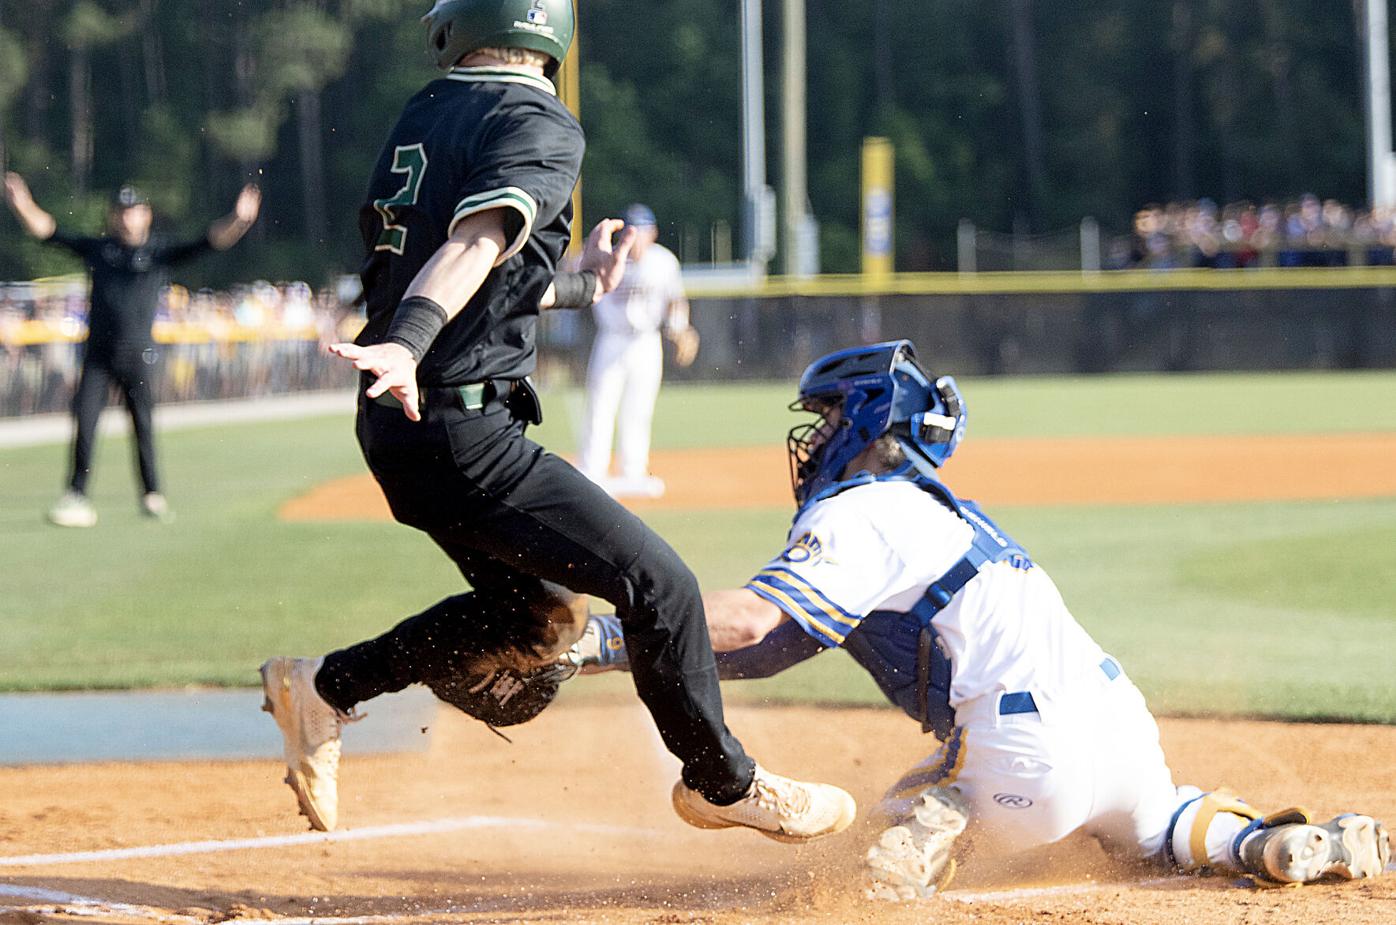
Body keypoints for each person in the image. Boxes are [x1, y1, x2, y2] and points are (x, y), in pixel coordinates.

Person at [258, 0, 855, 846]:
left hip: (408, 425)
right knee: (660, 584)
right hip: (457, 425)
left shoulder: (427, 113)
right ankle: (723, 781)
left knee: (536, 621)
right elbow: (473, 245)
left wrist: (583, 287)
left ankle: (322, 687)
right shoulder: (536, 116)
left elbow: (487, 276)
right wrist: (408, 342)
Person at [566, 340, 1391, 897]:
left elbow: (747, 624)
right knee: (1166, 824)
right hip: (1122, 731)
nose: (812, 441)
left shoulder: (861, 510)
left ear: (861, 422)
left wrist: (599, 635)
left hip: (1017, 754)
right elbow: (783, 645)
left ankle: (928, 824)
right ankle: (1262, 843)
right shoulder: (946, 516)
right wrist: (612, 652)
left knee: (864, 846)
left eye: (823, 420)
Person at [2, 173, 261, 526]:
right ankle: (76, 493)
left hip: (138, 354)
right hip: (99, 354)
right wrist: (23, 204)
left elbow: (210, 242)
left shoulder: (157, 252)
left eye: (134, 210)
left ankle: (151, 493)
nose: (127, 217)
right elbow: (49, 232)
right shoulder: (101, 250)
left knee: (142, 426)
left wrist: (240, 220)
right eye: (121, 211)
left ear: (146, 215)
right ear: (114, 216)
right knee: (86, 423)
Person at [576, 203, 698, 498]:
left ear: (652, 233)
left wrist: (680, 329)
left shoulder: (663, 262)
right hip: (611, 337)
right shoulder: (607, 258)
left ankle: (632, 472)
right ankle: (592, 471)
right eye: (631, 231)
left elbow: (675, 299)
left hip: (646, 341)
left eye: (642, 230)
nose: (637, 237)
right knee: (600, 405)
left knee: (639, 408)